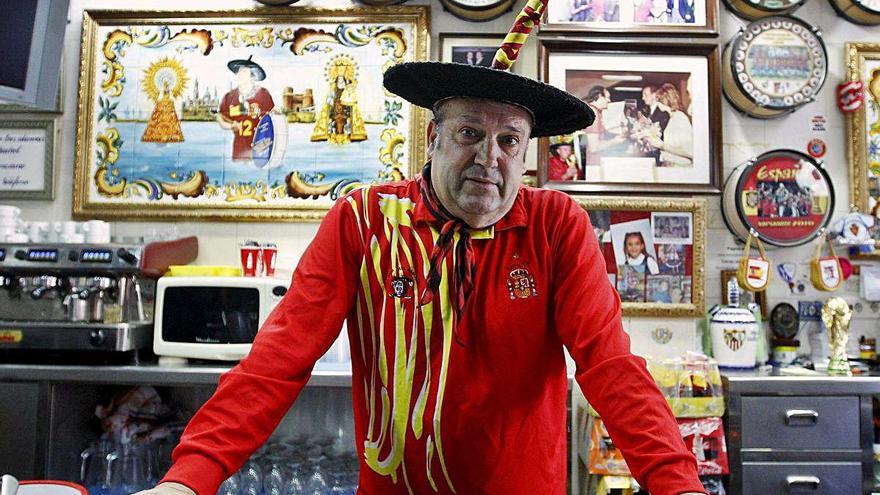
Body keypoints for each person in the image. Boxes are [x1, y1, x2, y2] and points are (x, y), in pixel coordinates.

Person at [137, 60, 706, 495]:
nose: (490, 157)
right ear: (432, 138)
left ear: (526, 155)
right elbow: (278, 359)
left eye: (509, 140)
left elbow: (609, 366)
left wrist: (677, 484)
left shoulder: (557, 226)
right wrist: (189, 477)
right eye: (468, 134)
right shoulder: (362, 220)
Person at [217, 56, 275, 161]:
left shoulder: (263, 94)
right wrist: (230, 125)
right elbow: (220, 117)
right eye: (239, 72)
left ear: (252, 76)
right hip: (239, 149)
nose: (240, 74)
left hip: (260, 149)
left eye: (244, 72)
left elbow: (273, 118)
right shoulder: (229, 96)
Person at [641, 83, 693, 167]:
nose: (657, 105)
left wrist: (661, 145)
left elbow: (689, 151)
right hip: (670, 164)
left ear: (666, 101)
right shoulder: (672, 118)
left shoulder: (680, 117)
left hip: (679, 166)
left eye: (659, 101)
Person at [583, 85, 627, 167]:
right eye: (607, 97)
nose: (609, 100)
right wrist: (615, 141)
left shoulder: (592, 111)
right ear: (599, 96)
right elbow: (594, 147)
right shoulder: (593, 114)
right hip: (592, 162)